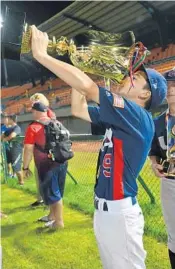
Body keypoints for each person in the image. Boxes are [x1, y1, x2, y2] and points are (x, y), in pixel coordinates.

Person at [30, 25, 167, 268]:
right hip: (107, 213)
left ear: (145, 95)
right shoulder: (122, 116)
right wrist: (79, 63)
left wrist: (43, 56)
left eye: (136, 78)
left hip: (119, 214)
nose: (128, 76)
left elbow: (88, 89)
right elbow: (78, 109)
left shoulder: (137, 116)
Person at [23, 102, 68, 229]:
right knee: (56, 191)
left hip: (46, 165)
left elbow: (28, 149)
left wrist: (25, 167)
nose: (32, 113)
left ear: (36, 111)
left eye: (32, 111)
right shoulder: (57, 123)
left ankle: (59, 223)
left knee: (54, 193)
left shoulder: (34, 127)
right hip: (62, 161)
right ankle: (52, 216)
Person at [149, 68, 175, 269]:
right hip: (170, 184)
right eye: (169, 85)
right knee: (174, 234)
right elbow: (154, 149)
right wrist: (153, 163)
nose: (172, 88)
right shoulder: (158, 122)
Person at [29, 93, 56, 207]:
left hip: (45, 153)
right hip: (41, 152)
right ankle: (41, 199)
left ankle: (48, 205)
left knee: (46, 180)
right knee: (40, 179)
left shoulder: (47, 114)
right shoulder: (45, 113)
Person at [1, 114, 24, 185]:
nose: (7, 120)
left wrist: (5, 139)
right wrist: (3, 138)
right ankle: (14, 179)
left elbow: (12, 135)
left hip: (16, 149)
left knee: (16, 167)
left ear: (11, 120)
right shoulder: (9, 129)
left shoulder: (17, 128)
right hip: (10, 149)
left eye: (8, 119)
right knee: (10, 164)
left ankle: (21, 182)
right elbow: (2, 136)